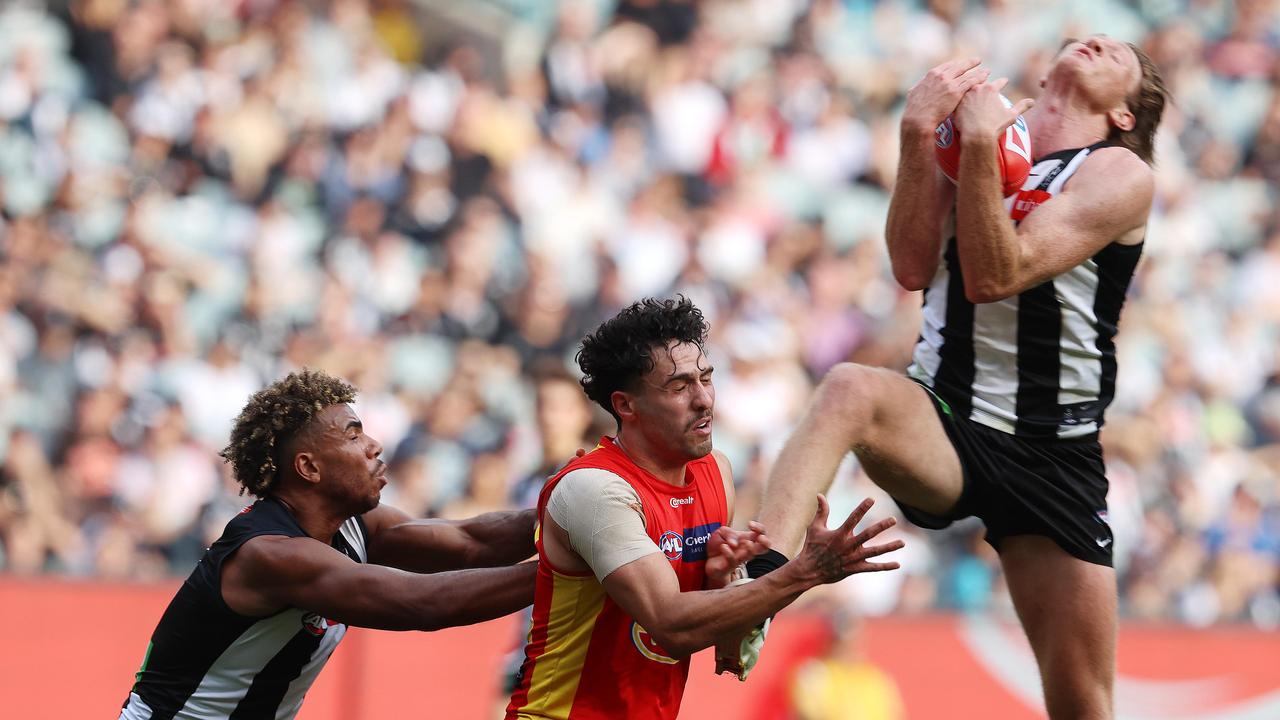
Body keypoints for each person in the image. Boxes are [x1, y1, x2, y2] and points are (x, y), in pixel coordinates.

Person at [753, 36, 1167, 720]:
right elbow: (912, 267)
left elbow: (996, 276)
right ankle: (759, 582)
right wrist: (917, 135)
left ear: (1126, 114)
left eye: (1119, 54)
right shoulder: (978, 135)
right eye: (1084, 39)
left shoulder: (1119, 173)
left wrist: (980, 151)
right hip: (945, 416)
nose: (1096, 40)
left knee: (1084, 702)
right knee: (850, 388)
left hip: (1054, 454)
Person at [505, 297, 903, 720]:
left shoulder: (716, 473)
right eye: (679, 387)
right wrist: (803, 573)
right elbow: (671, 625)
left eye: (706, 379)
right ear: (626, 405)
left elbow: (723, 647)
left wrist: (721, 579)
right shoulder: (597, 490)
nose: (704, 400)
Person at [119, 369, 538, 720]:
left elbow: (472, 541)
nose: (374, 445)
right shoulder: (269, 554)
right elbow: (424, 602)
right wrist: (569, 569)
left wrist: (572, 498)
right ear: (308, 467)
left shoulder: (354, 525)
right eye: (354, 436)